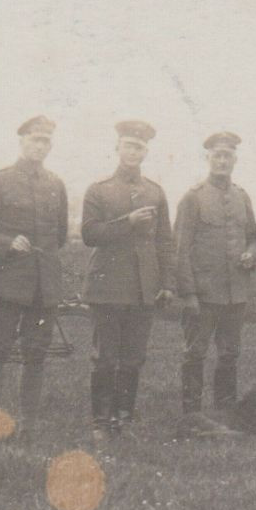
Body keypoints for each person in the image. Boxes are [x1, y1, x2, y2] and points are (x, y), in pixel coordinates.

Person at [0, 114, 69, 439]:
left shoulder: (56, 184)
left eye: (45, 141)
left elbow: (60, 234)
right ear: (22, 141)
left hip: (43, 285)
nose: (39, 146)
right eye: (34, 139)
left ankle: (28, 423)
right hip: (6, 281)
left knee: (36, 354)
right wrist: (6, 243)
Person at [80, 119, 176, 438]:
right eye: (128, 145)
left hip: (142, 289)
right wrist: (128, 221)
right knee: (105, 357)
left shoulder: (155, 192)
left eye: (139, 147)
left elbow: (165, 241)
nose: (133, 151)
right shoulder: (99, 190)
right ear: (117, 148)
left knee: (133, 358)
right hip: (107, 286)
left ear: (146, 152)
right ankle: (100, 421)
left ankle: (123, 418)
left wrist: (166, 283)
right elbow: (90, 234)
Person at [173, 131, 256, 427]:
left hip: (235, 293)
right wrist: (189, 294)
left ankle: (224, 412)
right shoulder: (193, 198)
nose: (222, 161)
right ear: (207, 158)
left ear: (235, 160)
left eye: (228, 156)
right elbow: (181, 249)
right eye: (217, 156)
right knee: (195, 353)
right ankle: (192, 414)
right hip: (203, 293)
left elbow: (255, 238)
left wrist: (252, 253)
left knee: (229, 354)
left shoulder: (241, 196)